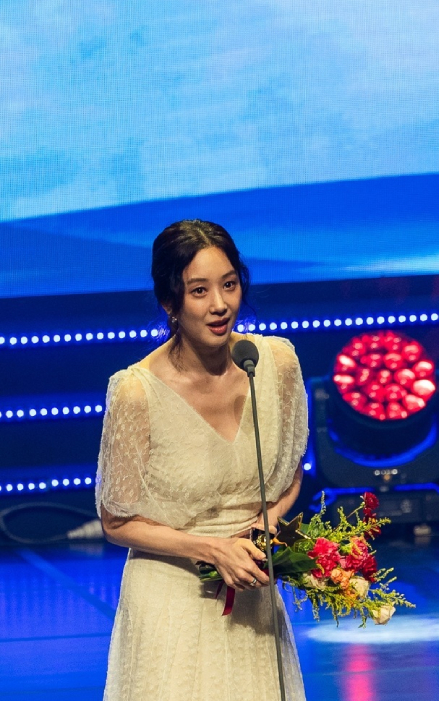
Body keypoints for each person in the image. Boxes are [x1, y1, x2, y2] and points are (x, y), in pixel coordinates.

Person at [96, 219, 308, 701]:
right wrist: (213, 550)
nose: (220, 304)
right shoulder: (135, 392)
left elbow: (290, 473)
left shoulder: (275, 364)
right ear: (170, 302)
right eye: (199, 291)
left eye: (229, 285)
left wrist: (266, 523)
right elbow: (115, 522)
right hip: (171, 598)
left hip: (253, 596)